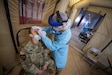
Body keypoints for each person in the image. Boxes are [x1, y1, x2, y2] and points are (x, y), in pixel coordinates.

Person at [31, 11, 71, 75]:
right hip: (54, 52)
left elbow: (53, 47)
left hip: (60, 56)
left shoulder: (66, 36)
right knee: (51, 62)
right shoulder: (60, 28)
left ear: (63, 26)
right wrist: (42, 28)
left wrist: (44, 37)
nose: (53, 28)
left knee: (58, 69)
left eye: (55, 27)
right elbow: (51, 29)